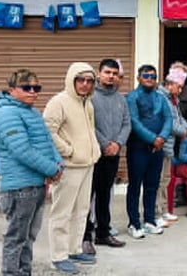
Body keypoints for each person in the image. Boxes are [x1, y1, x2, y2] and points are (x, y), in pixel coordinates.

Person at [0, 69, 64, 276]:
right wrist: (51, 169)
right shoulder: (5, 113)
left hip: (35, 184)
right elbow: (22, 150)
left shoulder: (30, 111)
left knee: (28, 237)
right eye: (27, 88)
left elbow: (47, 143)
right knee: (16, 238)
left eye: (37, 88)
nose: (33, 92)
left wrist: (58, 164)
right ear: (12, 89)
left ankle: (24, 272)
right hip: (19, 188)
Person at [43, 63, 101, 273]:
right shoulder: (58, 102)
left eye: (89, 80)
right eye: (80, 80)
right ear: (71, 79)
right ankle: (58, 256)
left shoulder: (88, 103)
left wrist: (93, 151)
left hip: (88, 163)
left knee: (81, 210)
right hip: (69, 166)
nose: (85, 85)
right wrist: (68, 150)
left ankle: (74, 248)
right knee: (62, 212)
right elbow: (48, 131)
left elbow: (90, 129)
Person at [83, 59, 130, 254]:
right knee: (88, 196)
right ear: (99, 74)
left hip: (113, 154)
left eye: (114, 73)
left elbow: (127, 124)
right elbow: (88, 124)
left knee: (104, 195)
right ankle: (85, 236)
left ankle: (103, 233)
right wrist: (105, 144)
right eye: (107, 72)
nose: (111, 76)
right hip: (94, 154)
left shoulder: (121, 98)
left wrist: (118, 143)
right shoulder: (89, 97)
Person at [125, 65, 172, 239]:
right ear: (138, 77)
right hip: (139, 148)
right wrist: (153, 138)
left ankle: (150, 220)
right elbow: (134, 122)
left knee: (152, 185)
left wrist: (162, 137)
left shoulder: (161, 99)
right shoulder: (132, 97)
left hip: (157, 149)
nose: (150, 78)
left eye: (153, 76)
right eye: (146, 75)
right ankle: (134, 223)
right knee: (135, 186)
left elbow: (168, 119)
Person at [156, 68, 187, 227]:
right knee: (159, 181)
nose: (181, 90)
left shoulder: (173, 99)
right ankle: (156, 212)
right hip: (162, 145)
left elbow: (180, 118)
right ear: (170, 84)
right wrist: (183, 131)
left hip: (169, 147)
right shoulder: (163, 98)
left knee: (166, 180)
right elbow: (169, 122)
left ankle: (164, 210)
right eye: (179, 86)